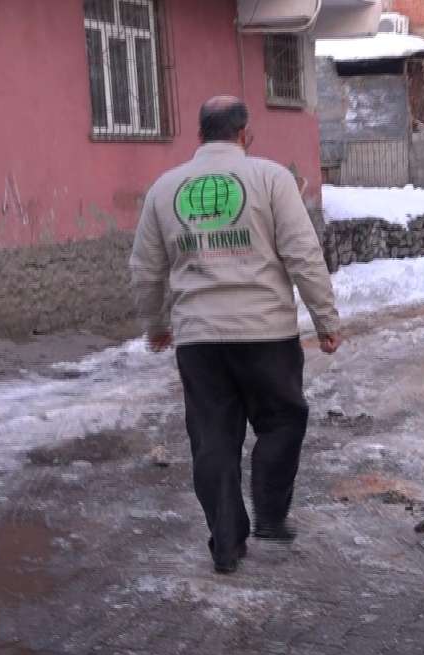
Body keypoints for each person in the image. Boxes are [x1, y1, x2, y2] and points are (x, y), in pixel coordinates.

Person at [130, 95, 342, 574]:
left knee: (213, 439)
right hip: (266, 334)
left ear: (199, 135)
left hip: (199, 340)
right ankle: (269, 513)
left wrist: (157, 325)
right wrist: (326, 321)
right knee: (283, 421)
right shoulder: (271, 179)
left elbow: (145, 268)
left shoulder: (165, 188)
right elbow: (303, 254)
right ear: (245, 134)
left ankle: (225, 541)